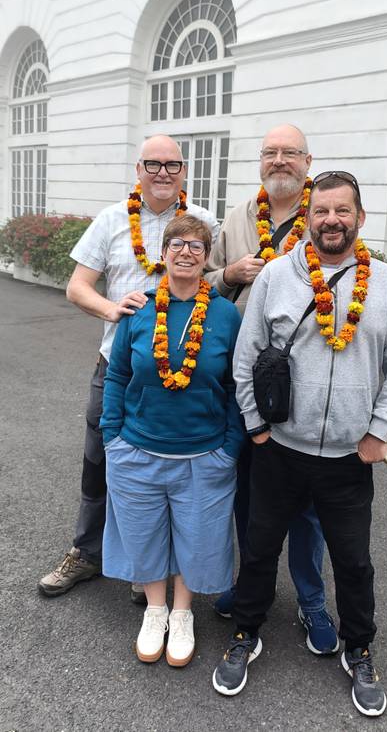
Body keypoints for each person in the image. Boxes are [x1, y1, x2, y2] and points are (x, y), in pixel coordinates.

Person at [212, 172, 387, 717]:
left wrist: (378, 433)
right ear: (308, 219)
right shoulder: (279, 276)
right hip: (279, 448)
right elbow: (247, 355)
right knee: (259, 551)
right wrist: (256, 425)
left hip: (350, 457)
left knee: (353, 562)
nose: (331, 220)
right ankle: (245, 633)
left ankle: (360, 648)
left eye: (342, 211)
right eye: (322, 211)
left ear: (360, 218)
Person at [38, 136, 219, 600]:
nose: (163, 172)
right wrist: (112, 309)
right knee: (100, 458)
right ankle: (86, 552)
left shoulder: (200, 222)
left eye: (172, 164)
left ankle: (151, 568)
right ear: (138, 168)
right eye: (153, 164)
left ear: (184, 171)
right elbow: (78, 287)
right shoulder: (112, 219)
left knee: (170, 469)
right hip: (119, 363)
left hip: (188, 365)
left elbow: (212, 282)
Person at [206, 124, 337, 655]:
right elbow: (203, 277)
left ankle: (311, 600)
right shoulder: (237, 219)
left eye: (290, 153)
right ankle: (247, 583)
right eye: (270, 153)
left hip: (308, 383)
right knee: (248, 493)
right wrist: (230, 272)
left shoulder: (327, 217)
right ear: (260, 162)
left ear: (308, 161)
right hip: (241, 379)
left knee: (308, 503)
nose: (279, 161)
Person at [100, 215, 244, 666]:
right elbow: (119, 374)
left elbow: (238, 385)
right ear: (163, 253)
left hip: (204, 453)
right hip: (136, 449)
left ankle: (182, 614)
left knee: (196, 537)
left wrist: (229, 448)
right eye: (177, 244)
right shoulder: (139, 308)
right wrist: (112, 436)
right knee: (144, 535)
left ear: (207, 258)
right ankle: (155, 609)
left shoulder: (224, 313)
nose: (186, 252)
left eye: (197, 247)